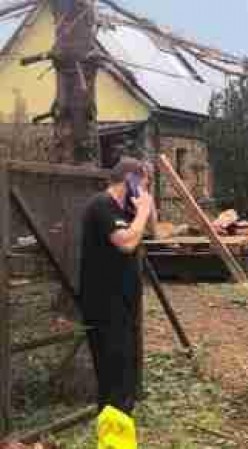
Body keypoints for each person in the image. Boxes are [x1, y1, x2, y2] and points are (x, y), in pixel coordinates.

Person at [77, 157, 154, 415]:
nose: (145, 190)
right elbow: (126, 243)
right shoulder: (102, 205)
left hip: (125, 300)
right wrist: (142, 211)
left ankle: (117, 426)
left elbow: (151, 231)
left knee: (126, 370)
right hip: (104, 303)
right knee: (114, 371)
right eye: (143, 184)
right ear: (130, 180)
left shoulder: (125, 210)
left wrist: (145, 207)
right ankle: (114, 429)